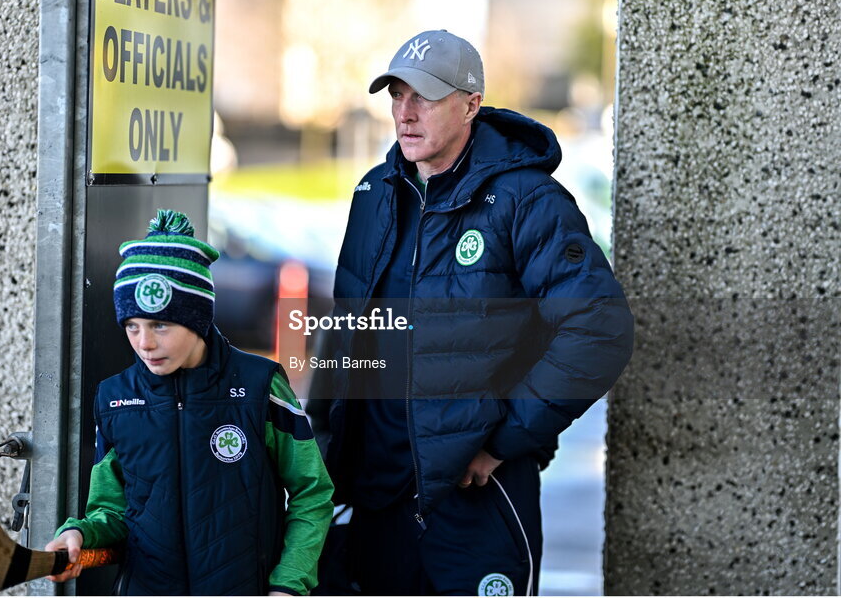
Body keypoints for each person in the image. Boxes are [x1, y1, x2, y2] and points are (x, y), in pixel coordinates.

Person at [323, 30, 634, 596]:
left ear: (470, 105)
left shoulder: (526, 201)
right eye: (396, 94)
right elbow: (348, 332)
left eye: (425, 96)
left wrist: (505, 441)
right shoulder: (374, 193)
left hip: (476, 496)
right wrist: (324, 446)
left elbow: (599, 331)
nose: (405, 113)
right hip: (377, 495)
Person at [47, 209, 334, 596]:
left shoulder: (259, 384)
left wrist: (289, 583)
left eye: (160, 325)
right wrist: (79, 532)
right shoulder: (115, 399)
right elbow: (113, 511)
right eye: (132, 326)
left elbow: (311, 493)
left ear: (196, 319)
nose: (144, 343)